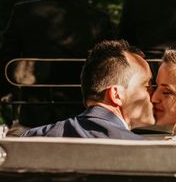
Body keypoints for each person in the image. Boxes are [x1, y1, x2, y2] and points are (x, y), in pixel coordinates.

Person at [0, 0, 115, 130]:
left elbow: (1, 62)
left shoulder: (23, 12)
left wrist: (8, 96)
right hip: (82, 116)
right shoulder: (98, 19)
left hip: (34, 116)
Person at [22, 40, 155, 139]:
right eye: (146, 87)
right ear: (116, 95)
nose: (153, 95)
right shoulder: (143, 151)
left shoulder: (32, 137)